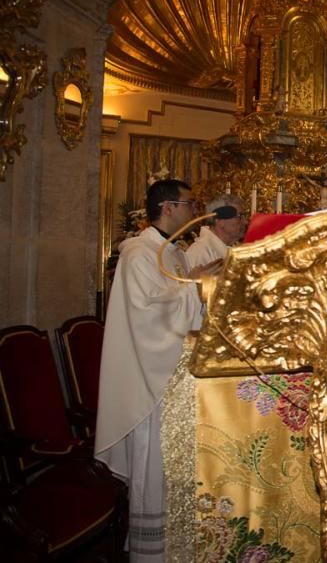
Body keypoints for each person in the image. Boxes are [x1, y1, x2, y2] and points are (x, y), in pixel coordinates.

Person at [95, 179, 217, 561]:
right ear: (167, 207)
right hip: (150, 383)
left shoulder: (172, 252)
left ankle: (176, 546)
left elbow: (179, 300)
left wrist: (200, 282)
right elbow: (148, 315)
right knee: (155, 469)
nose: (193, 210)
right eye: (188, 203)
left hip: (173, 375)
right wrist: (195, 286)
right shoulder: (138, 254)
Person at [185, 193, 247, 268]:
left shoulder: (234, 249)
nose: (245, 222)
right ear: (220, 221)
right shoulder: (200, 252)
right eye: (240, 216)